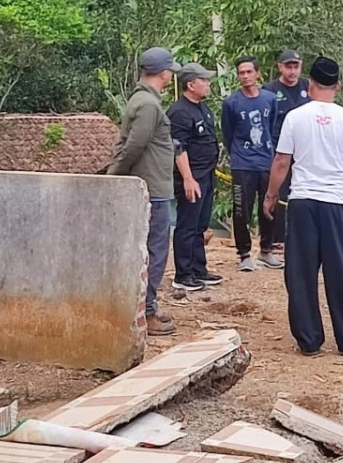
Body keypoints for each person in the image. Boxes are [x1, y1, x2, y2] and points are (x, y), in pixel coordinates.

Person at [264, 57, 343, 358]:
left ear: (310, 83)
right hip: (337, 203)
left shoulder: (295, 117)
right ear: (338, 85)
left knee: (301, 272)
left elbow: (281, 162)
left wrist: (271, 195)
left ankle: (309, 339)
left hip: (303, 202)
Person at [107, 47, 181, 336]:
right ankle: (146, 311)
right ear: (164, 73)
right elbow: (134, 146)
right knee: (155, 251)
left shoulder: (143, 100)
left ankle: (147, 307)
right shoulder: (149, 106)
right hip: (153, 188)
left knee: (152, 250)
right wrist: (115, 176)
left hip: (152, 185)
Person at [222, 56, 283, 272]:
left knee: (269, 206)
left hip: (266, 162)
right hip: (242, 164)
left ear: (257, 74)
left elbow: (273, 126)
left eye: (249, 72)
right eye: (241, 73)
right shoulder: (231, 103)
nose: (245, 76)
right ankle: (245, 254)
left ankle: (266, 250)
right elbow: (227, 134)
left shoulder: (269, 99)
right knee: (242, 211)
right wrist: (238, 155)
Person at [168, 62, 223, 292]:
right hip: (192, 177)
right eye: (204, 80)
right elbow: (178, 148)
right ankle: (183, 274)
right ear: (191, 84)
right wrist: (188, 179)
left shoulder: (202, 108)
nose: (208, 84)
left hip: (207, 175)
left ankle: (199, 269)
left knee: (200, 224)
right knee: (187, 225)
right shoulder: (179, 111)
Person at [263, 50, 310, 244]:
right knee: (279, 194)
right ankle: (277, 240)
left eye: (295, 66)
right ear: (280, 67)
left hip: (305, 152)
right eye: (288, 67)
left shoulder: (309, 87)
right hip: (279, 151)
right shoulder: (269, 90)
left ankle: (301, 237)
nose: (292, 71)